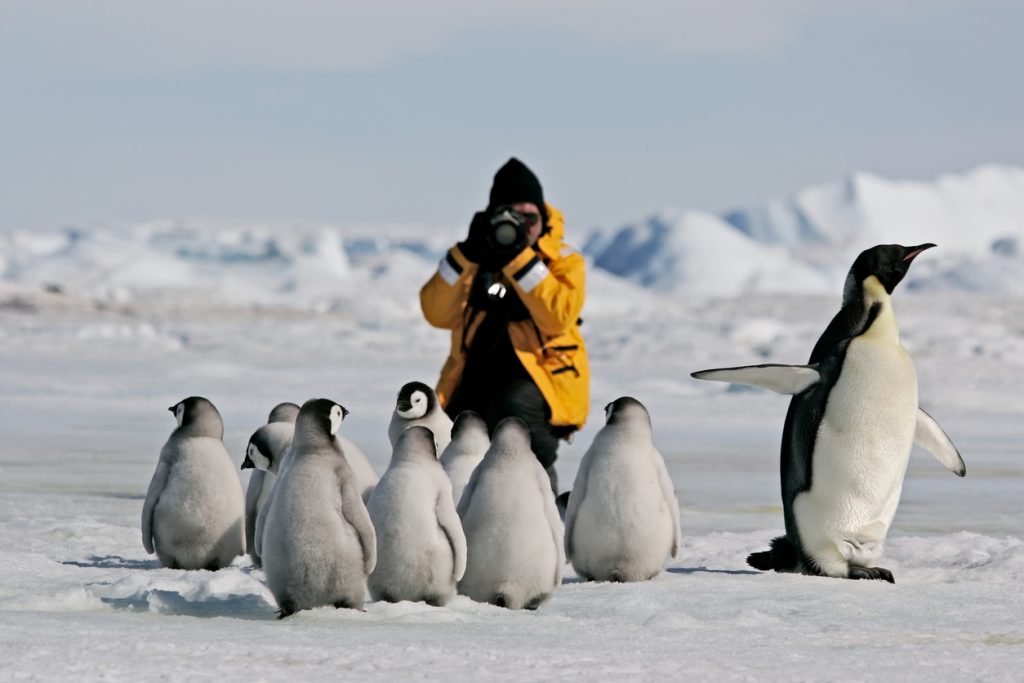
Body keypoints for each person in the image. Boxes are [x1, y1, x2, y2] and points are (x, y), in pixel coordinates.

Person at [420, 158, 590, 493]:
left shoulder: (563, 261)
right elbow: (435, 312)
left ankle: (541, 506)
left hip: (541, 382)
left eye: (531, 217)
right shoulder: (474, 259)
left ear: (544, 217)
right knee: (464, 433)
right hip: (476, 376)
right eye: (513, 216)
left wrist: (519, 259)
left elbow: (558, 315)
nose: (524, 226)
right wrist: (466, 253)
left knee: (514, 409)